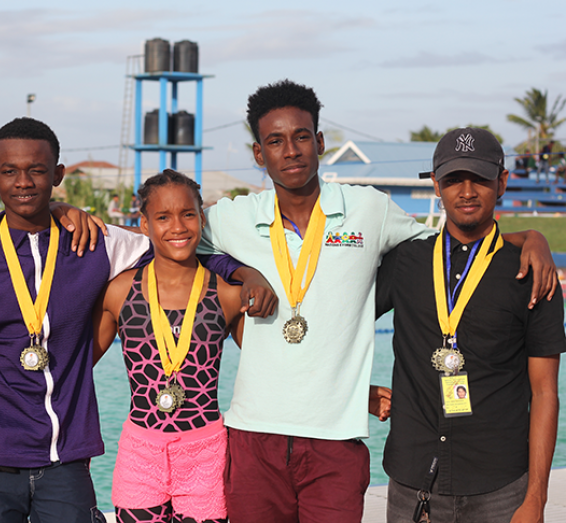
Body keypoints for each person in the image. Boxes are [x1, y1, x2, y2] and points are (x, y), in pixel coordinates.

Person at [194, 80, 556, 523]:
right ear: (258, 153)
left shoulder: (370, 210)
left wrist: (528, 236)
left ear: (321, 142)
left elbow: (458, 239)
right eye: (275, 141)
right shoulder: (232, 218)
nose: (290, 151)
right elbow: (170, 238)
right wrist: (240, 272)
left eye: (302, 137)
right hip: (255, 435)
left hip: (337, 440)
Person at [0, 119, 269, 523]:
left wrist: (240, 272)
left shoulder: (96, 243)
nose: (23, 182)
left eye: (38, 170)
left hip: (68, 453)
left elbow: (176, 245)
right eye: (9, 171)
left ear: (58, 175)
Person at [376, 127, 565, 523]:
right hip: (413, 483)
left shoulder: (534, 275)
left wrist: (536, 500)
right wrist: (355, 393)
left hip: (501, 489)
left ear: (502, 182)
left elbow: (546, 392)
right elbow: (337, 325)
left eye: (479, 178)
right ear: (435, 185)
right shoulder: (405, 263)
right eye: (452, 180)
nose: (466, 191)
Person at [92, 170, 275, 523]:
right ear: (144, 224)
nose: (177, 227)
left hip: (205, 453)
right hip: (140, 454)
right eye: (163, 217)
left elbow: (270, 366)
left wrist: (355, 391)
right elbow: (74, 366)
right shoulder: (120, 292)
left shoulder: (226, 295)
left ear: (202, 219)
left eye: (188, 214)